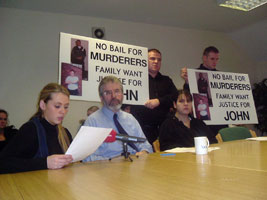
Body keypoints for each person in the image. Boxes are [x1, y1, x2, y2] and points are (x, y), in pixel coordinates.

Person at [0, 83, 73, 174]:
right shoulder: (30, 130)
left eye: (66, 107)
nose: (63, 111)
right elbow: (3, 163)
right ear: (43, 105)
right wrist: (45, 163)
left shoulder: (65, 133)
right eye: (57, 106)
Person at [83, 76, 152, 162]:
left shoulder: (130, 118)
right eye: (108, 93)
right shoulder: (92, 121)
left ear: (122, 94)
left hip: (135, 165)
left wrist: (144, 152)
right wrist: (112, 161)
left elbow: (145, 144)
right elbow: (87, 157)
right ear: (101, 98)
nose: (114, 96)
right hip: (108, 170)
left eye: (117, 91)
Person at [131, 49, 178, 145]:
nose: (156, 62)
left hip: (164, 128)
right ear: (145, 60)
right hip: (142, 128)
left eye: (159, 59)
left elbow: (175, 96)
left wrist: (159, 101)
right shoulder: (135, 79)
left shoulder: (167, 80)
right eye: (152, 58)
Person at [180, 46, 227, 136]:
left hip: (220, 119)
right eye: (212, 59)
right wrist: (187, 82)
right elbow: (187, 95)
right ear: (204, 58)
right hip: (202, 118)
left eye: (217, 59)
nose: (215, 62)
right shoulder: (193, 74)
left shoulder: (220, 76)